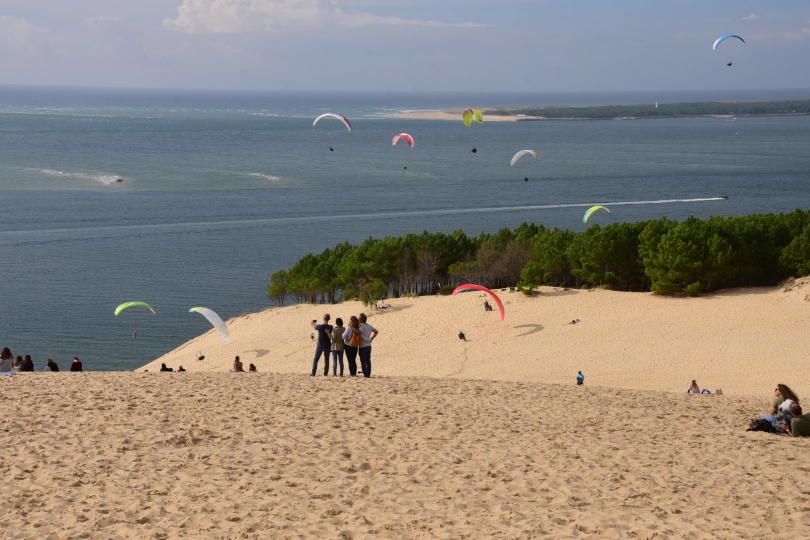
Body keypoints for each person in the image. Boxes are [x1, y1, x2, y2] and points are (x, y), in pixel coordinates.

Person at [357, 313, 378, 378]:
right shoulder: (369, 326)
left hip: (363, 345)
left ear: (361, 319)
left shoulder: (362, 326)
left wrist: (368, 339)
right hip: (368, 345)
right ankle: (368, 373)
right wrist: (371, 338)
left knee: (363, 361)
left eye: (359, 318)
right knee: (368, 360)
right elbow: (376, 331)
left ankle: (366, 374)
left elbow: (359, 333)